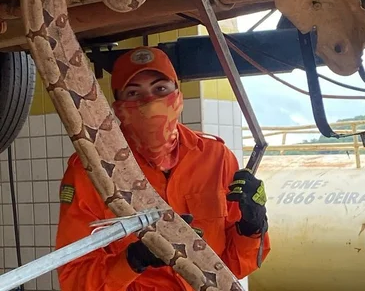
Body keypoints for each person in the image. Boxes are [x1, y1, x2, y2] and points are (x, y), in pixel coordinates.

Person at [54, 46, 270, 291]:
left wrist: (253, 226)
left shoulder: (217, 158)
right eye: (134, 93)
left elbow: (239, 265)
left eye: (160, 89)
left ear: (178, 96)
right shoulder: (89, 170)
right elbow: (74, 279)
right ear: (117, 108)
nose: (150, 102)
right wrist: (133, 260)